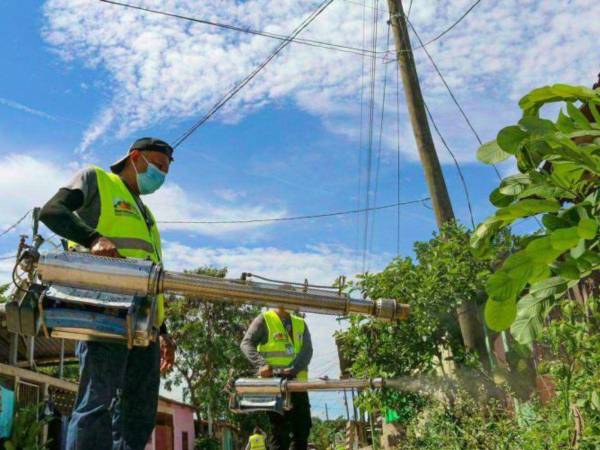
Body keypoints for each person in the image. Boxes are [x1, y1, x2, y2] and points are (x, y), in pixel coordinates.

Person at [39, 137, 177, 450]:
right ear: (135, 157)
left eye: (165, 171)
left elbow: (150, 274)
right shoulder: (97, 180)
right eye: (157, 166)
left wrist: (163, 331)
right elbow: (51, 212)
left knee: (138, 415)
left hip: (144, 326)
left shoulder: (147, 214)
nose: (161, 175)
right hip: (104, 314)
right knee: (95, 406)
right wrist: (92, 238)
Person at [240, 307, 313, 450]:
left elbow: (307, 351)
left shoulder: (300, 323)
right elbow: (246, 343)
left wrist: (294, 369)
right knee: (279, 435)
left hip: (298, 386)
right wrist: (262, 364)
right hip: (275, 387)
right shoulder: (264, 319)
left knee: (302, 432)